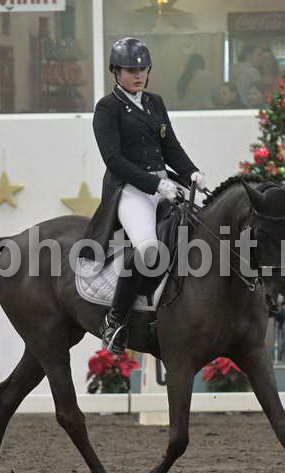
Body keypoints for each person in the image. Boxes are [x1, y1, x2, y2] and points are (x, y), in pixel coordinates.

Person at [84, 37, 206, 355]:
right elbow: (113, 159)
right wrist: (154, 185)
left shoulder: (155, 102)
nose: (138, 75)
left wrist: (191, 171)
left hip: (166, 184)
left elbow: (170, 146)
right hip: (131, 190)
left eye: (142, 69)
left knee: (206, 225)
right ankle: (115, 320)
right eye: (130, 70)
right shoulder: (107, 108)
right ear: (116, 71)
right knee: (148, 248)